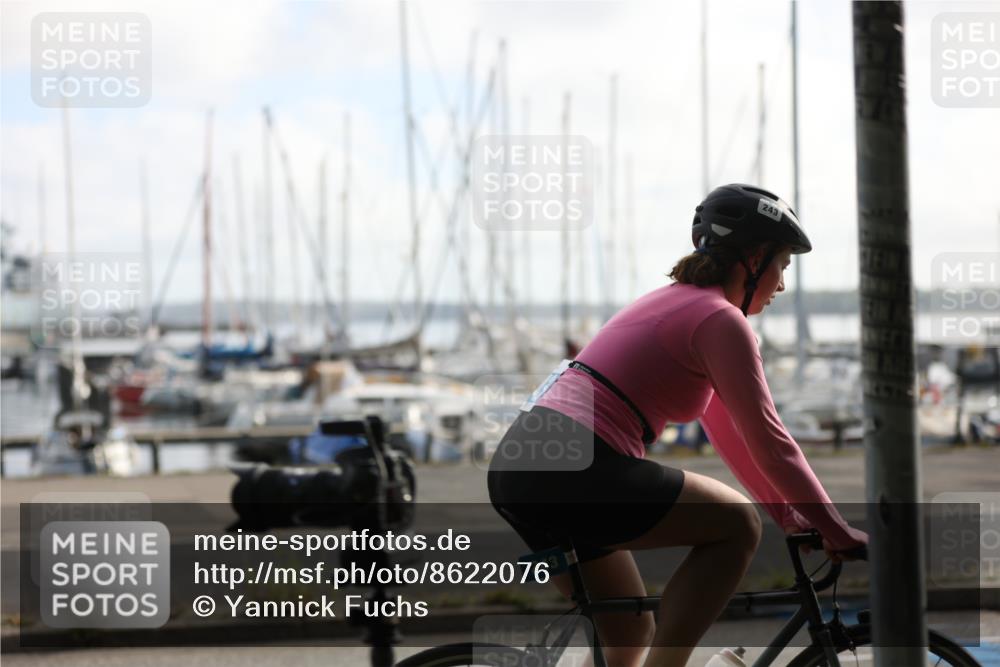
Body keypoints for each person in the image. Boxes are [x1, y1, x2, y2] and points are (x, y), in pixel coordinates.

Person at [487, 184, 868, 667]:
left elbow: (733, 436)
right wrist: (834, 527)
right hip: (573, 466)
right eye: (783, 266)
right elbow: (772, 442)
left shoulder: (674, 303)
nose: (782, 284)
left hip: (523, 467)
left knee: (627, 632)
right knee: (735, 525)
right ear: (754, 259)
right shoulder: (719, 321)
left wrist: (793, 516)